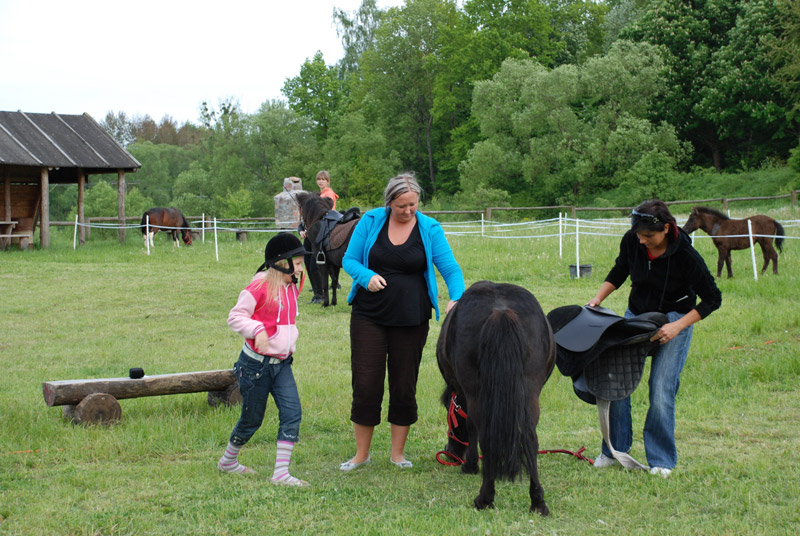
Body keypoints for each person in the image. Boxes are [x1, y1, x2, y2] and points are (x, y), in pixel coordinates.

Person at [586, 199, 721, 478]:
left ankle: (661, 460)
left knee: (661, 388)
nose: (642, 240)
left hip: (674, 319)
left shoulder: (685, 254)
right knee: (616, 381)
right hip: (636, 315)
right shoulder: (633, 241)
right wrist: (598, 299)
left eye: (648, 235)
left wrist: (678, 326)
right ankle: (614, 451)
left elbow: (712, 299)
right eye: (638, 234)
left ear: (667, 229)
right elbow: (620, 269)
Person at [339, 173, 465, 471]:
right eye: (401, 206)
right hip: (369, 316)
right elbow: (349, 260)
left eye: (413, 205)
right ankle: (361, 454)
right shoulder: (370, 221)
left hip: (412, 319)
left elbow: (451, 270)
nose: (408, 211)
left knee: (404, 384)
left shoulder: (430, 228)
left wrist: (457, 297)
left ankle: (398, 454)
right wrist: (366, 277)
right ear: (389, 203)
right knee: (366, 384)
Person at [217, 232, 310, 486]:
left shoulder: (291, 286)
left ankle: (281, 474)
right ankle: (228, 461)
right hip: (254, 366)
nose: (301, 269)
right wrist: (257, 330)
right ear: (281, 263)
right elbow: (235, 317)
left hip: (282, 365)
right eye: (297, 263)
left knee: (292, 413)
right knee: (252, 418)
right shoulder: (258, 288)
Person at [303, 171, 339, 304]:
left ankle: (320, 293)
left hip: (323, 229)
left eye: (323, 179)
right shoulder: (319, 194)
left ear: (328, 181)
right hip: (315, 228)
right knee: (309, 260)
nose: (321, 181)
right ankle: (317, 289)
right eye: (319, 179)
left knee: (316, 263)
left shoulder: (328, 194)